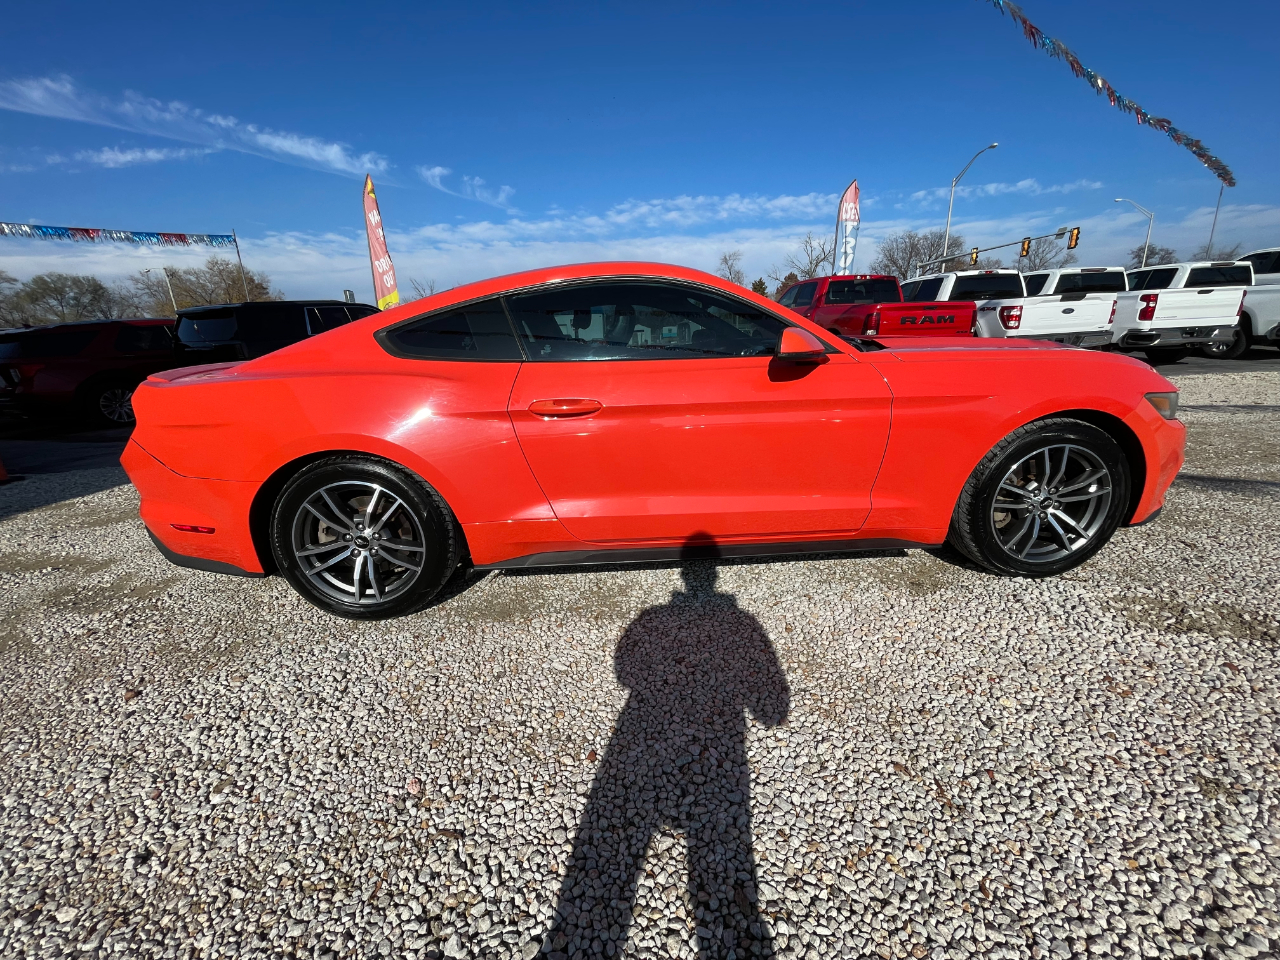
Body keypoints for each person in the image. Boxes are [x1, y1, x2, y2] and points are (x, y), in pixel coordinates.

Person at [542, 539, 790, 960]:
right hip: (725, 741)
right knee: (722, 843)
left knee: (612, 838)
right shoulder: (741, 622)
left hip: (638, 725)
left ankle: (579, 933)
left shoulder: (653, 618)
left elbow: (625, 669)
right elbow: (772, 707)